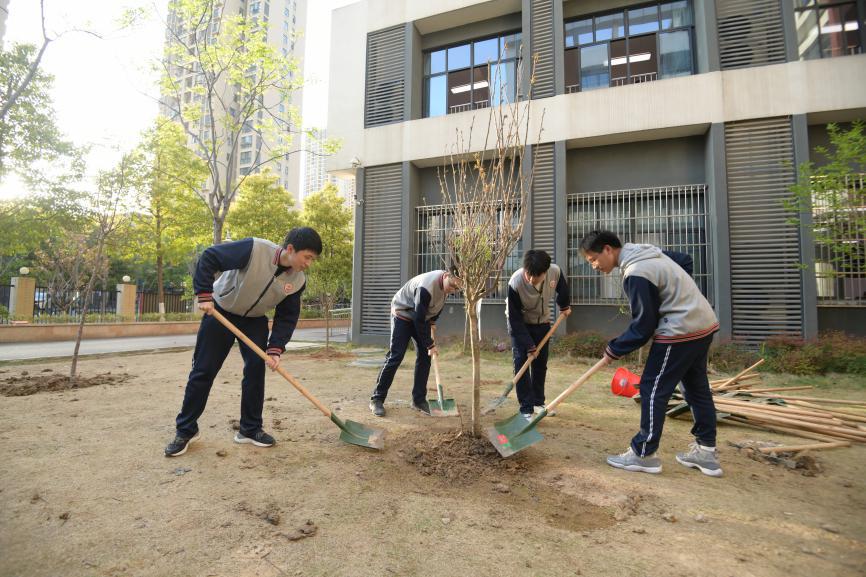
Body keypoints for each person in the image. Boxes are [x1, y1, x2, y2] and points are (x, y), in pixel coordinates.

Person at [164, 227, 322, 457]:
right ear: (290, 249)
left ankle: (249, 429)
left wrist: (276, 348)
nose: (309, 263)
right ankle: (186, 430)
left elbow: (287, 317)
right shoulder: (254, 249)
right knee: (203, 371)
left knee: (256, 370)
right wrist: (204, 294)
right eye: (307, 257)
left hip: (254, 320)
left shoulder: (297, 281)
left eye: (312, 259)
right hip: (222, 311)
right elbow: (210, 256)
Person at [579, 230, 722, 477]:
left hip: (680, 330)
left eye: (593, 259)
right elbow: (685, 259)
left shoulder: (636, 273)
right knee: (696, 388)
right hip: (703, 323)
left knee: (653, 388)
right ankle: (706, 452)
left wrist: (614, 348)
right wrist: (682, 297)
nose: (593, 266)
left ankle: (644, 453)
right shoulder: (648, 253)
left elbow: (643, 326)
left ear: (608, 250)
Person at [369, 269, 463, 417]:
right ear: (445, 276)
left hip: (420, 317)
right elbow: (419, 320)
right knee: (396, 356)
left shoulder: (446, 287)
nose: (452, 290)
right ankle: (377, 399)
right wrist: (430, 344)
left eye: (455, 289)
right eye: (451, 286)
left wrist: (432, 321)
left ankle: (418, 400)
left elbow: (435, 308)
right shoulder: (426, 287)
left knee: (425, 357)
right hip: (402, 314)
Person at [506, 250, 571, 420]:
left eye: (535, 276)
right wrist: (529, 345)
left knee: (540, 364)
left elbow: (562, 289)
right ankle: (526, 409)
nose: (530, 279)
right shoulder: (516, 282)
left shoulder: (554, 272)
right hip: (521, 324)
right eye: (528, 274)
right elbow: (515, 319)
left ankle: (538, 402)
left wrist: (564, 305)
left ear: (545, 272)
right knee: (522, 363)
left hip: (542, 322)